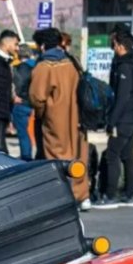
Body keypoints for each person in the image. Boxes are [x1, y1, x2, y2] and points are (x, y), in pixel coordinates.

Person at [29, 27, 90, 207]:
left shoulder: (44, 66)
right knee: (78, 156)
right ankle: (82, 195)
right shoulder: (73, 63)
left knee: (57, 159)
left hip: (55, 120)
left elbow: (37, 97)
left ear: (41, 46)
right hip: (79, 118)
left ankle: (62, 198)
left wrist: (41, 114)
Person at [93, 30, 133, 210]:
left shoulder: (124, 67)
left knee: (112, 155)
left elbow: (122, 97)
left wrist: (112, 121)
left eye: (114, 44)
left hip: (124, 117)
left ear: (120, 46)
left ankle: (110, 195)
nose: (112, 47)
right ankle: (129, 194)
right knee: (127, 155)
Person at [12, 44, 37, 161]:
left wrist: (17, 95)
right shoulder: (38, 66)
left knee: (23, 133)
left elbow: (19, 85)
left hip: (22, 103)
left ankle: (26, 157)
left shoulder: (19, 68)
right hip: (36, 104)